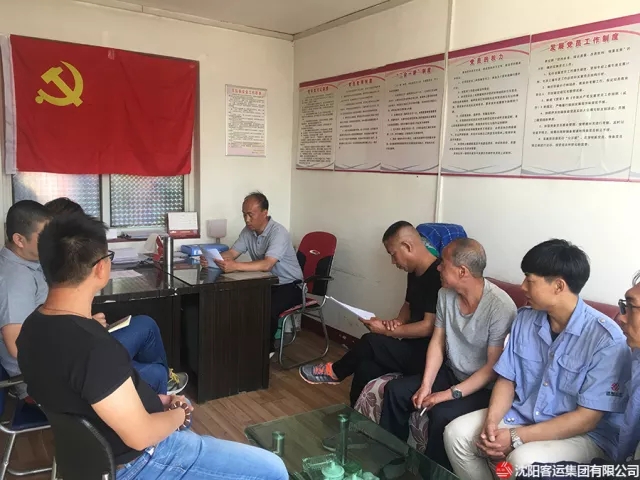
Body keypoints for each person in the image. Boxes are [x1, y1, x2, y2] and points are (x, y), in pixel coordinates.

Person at [16, 212, 288, 480]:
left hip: (88, 458)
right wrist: (179, 413)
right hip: (139, 462)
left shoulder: (32, 328)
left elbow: (92, 398)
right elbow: (141, 435)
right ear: (101, 268)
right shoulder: (94, 348)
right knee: (272, 468)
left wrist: (162, 401)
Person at [443, 239, 631, 480]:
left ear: (559, 286)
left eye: (529, 280)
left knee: (522, 461)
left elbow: (587, 419)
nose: (522, 287)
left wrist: (515, 437)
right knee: (456, 434)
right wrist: (491, 423)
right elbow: (506, 379)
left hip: (584, 436)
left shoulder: (606, 339)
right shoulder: (525, 319)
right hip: (525, 414)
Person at [0, 199, 186, 397]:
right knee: (154, 374)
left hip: (69, 355)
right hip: (49, 377)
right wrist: (83, 332)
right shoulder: (15, 280)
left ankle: (151, 391)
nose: (52, 242)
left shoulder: (31, 262)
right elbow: (18, 347)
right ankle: (152, 395)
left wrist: (85, 324)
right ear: (19, 240)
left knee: (145, 326)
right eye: (45, 236)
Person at [379, 238, 516, 470]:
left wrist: (446, 395)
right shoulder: (445, 294)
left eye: (443, 263)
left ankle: (431, 474)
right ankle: (390, 461)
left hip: (484, 387)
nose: (438, 268)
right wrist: (426, 385)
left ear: (462, 271)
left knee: (442, 413)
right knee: (396, 390)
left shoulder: (501, 306)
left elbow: (492, 369)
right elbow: (437, 341)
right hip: (453, 372)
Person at [299, 221, 442, 409]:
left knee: (371, 341)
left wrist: (386, 331)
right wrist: (397, 322)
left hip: (427, 356)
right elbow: (408, 305)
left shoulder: (437, 275)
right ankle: (356, 417)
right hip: (408, 346)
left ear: (407, 246)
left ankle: (335, 371)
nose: (393, 262)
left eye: (393, 255)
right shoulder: (414, 271)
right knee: (365, 367)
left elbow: (428, 327)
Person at [200, 192, 303, 355]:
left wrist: (235, 266)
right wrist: (213, 259)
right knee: (238, 302)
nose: (247, 219)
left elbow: (267, 264)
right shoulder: (248, 231)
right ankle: (241, 345)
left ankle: (265, 351)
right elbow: (232, 253)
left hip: (290, 285)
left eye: (250, 215)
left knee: (265, 308)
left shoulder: (278, 233)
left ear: (264, 213)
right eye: (244, 215)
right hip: (266, 283)